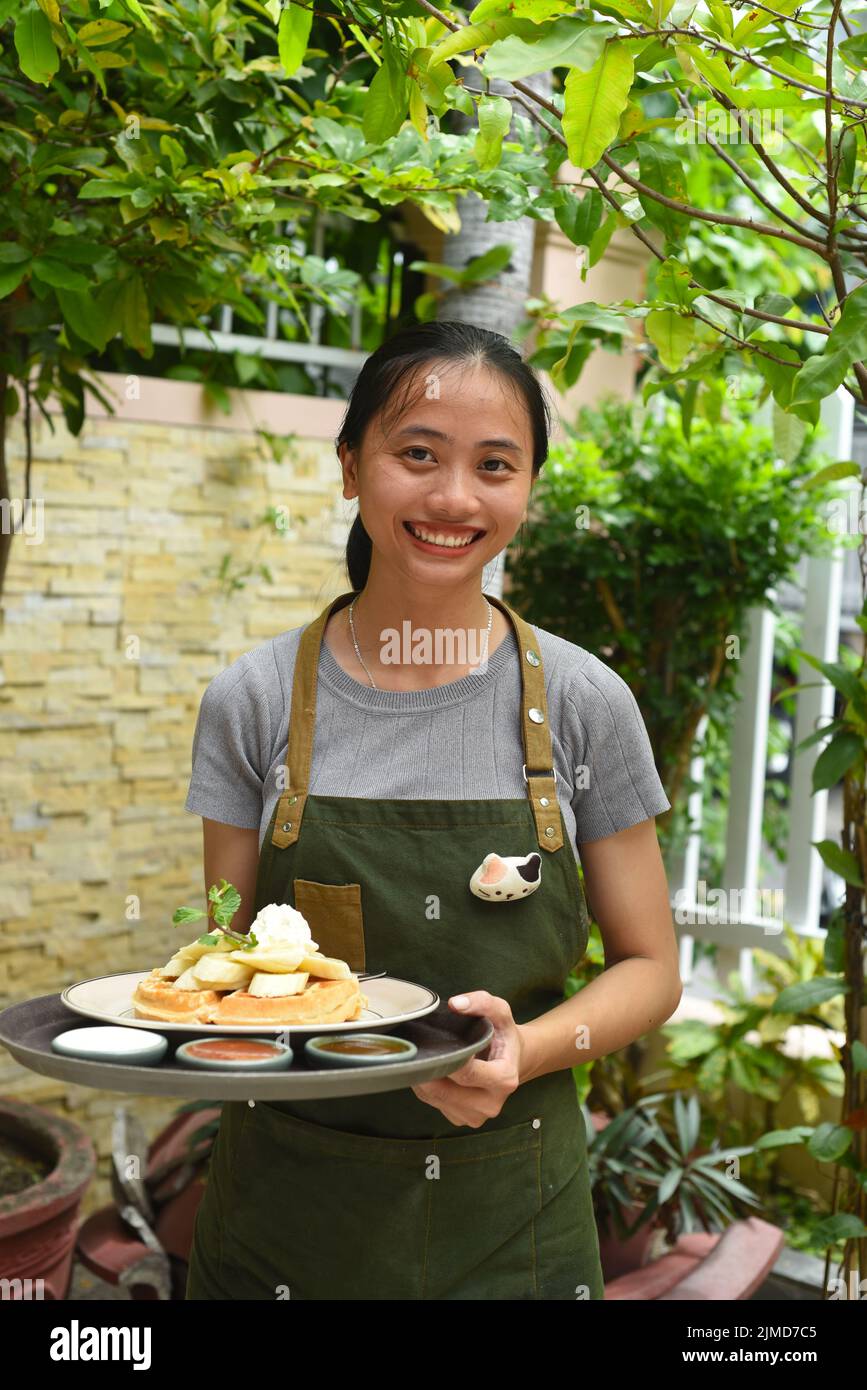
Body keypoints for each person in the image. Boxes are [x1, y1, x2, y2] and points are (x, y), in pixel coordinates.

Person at [183, 320, 680, 1301]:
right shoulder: (252, 699)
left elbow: (654, 967)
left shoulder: (584, 705)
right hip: (287, 1220)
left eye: (495, 465)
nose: (455, 497)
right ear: (349, 467)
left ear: (529, 489)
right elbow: (217, 954)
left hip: (514, 1222)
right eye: (418, 455)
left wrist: (524, 1048)